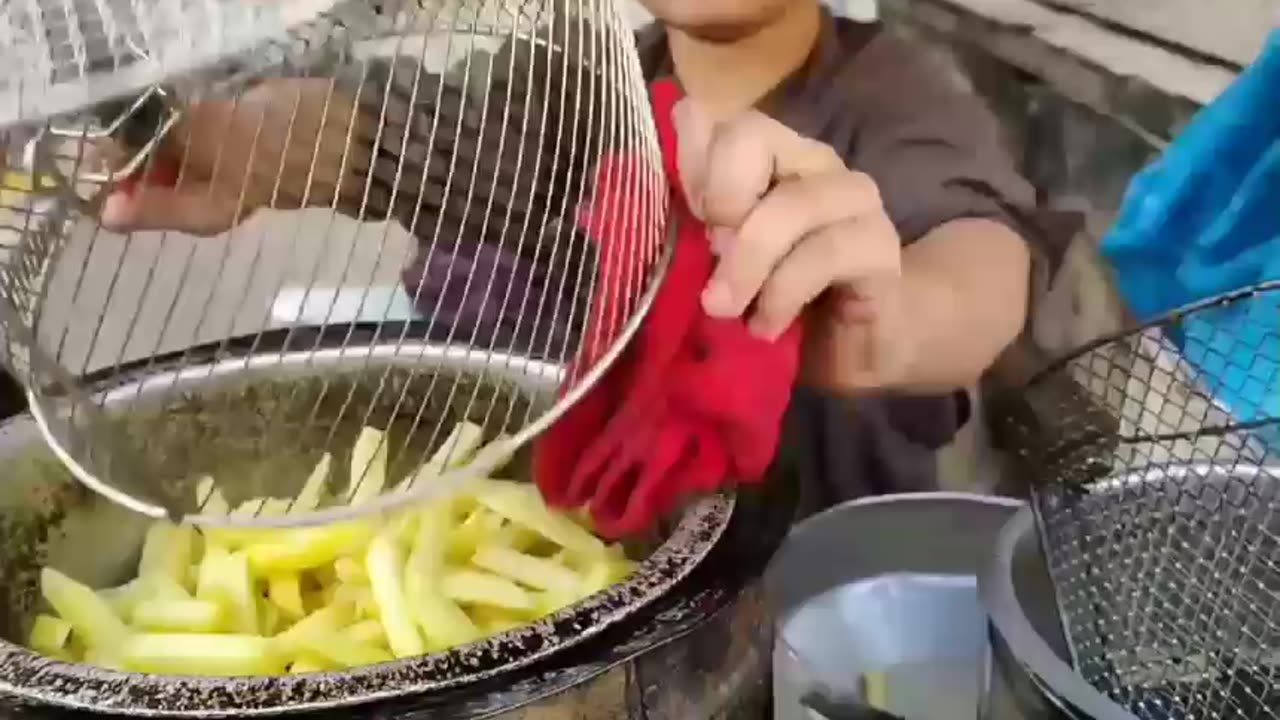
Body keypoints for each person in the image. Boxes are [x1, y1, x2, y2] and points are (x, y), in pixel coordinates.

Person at [97, 0, 1049, 513]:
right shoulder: (589, 87)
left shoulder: (906, 99)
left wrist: (887, 320)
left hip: (802, 626)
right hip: (591, 595)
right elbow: (392, 135)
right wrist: (227, 145)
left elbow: (980, 263)